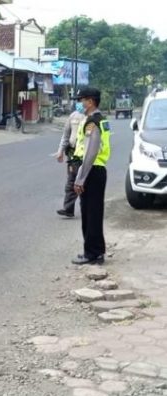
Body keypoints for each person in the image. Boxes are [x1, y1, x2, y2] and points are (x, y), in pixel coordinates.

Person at [70, 87, 111, 265]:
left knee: (90, 213)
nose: (80, 103)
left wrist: (80, 178)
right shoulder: (102, 120)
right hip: (97, 170)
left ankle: (92, 253)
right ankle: (96, 250)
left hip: (91, 170)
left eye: (82, 100)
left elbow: (90, 152)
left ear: (91, 101)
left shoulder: (92, 123)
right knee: (93, 212)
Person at [55, 101, 86, 218]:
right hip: (73, 154)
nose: (80, 103)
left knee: (83, 182)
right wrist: (60, 151)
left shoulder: (91, 118)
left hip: (85, 155)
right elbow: (66, 135)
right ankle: (69, 209)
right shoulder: (72, 116)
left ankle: (88, 209)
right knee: (72, 182)